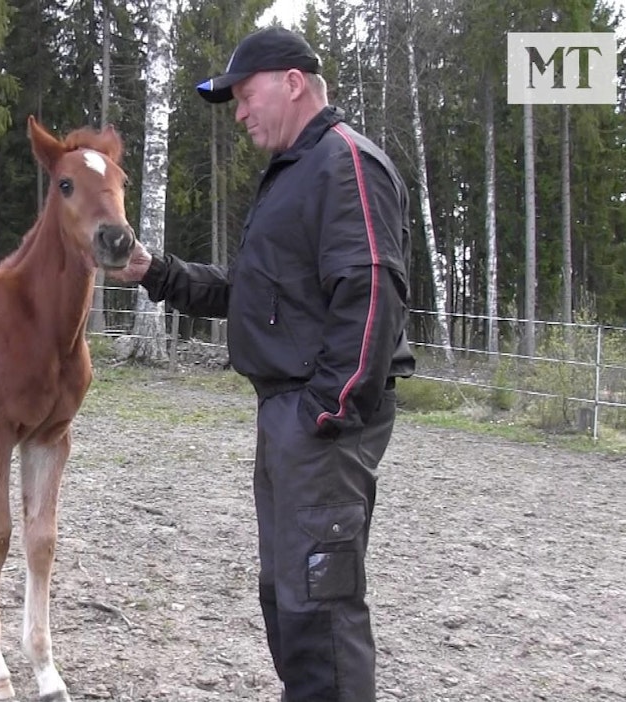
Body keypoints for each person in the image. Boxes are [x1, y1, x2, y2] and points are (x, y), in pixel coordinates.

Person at [108, 26, 416, 702]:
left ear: (294, 83)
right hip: (287, 416)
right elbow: (251, 293)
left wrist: (325, 414)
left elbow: (371, 291)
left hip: (319, 424)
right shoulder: (295, 175)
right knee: (287, 597)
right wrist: (156, 270)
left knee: (321, 606)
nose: (241, 113)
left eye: (246, 95)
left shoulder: (345, 164)